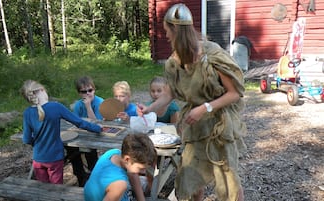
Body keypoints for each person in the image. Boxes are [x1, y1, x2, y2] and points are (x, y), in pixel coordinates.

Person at [138, 4, 247, 201]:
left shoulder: (212, 55)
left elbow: (235, 93)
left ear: (178, 31)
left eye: (168, 31)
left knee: (228, 180)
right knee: (191, 178)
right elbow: (169, 93)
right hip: (194, 126)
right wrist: (149, 108)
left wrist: (204, 108)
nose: (166, 36)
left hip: (219, 126)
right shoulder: (175, 61)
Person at [20, 80, 102, 185]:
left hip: (38, 159)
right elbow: (79, 122)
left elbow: (26, 139)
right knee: (56, 189)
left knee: (43, 189)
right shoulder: (56, 107)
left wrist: (38, 144)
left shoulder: (27, 113)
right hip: (54, 158)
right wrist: (97, 128)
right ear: (42, 90)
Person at [84, 134, 157, 201]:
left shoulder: (115, 153)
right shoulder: (120, 185)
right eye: (140, 168)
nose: (144, 172)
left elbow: (132, 174)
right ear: (127, 159)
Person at [66, 76, 104, 187]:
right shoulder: (78, 105)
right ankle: (80, 175)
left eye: (90, 90)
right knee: (71, 148)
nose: (88, 93)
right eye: (84, 91)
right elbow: (75, 121)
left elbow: (96, 123)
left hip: (96, 134)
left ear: (94, 90)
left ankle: (94, 173)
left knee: (90, 151)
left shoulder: (100, 102)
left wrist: (88, 107)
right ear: (79, 93)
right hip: (82, 133)